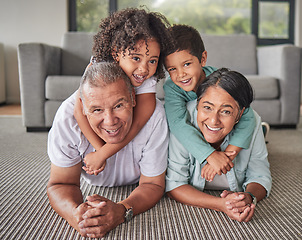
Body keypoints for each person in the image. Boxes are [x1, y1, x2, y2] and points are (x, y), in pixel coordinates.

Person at [47, 62, 169, 238]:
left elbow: (153, 184)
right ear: (82, 107)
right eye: (97, 110)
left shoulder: (154, 115)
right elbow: (61, 183)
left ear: (133, 98)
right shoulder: (67, 119)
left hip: (136, 184)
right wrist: (76, 216)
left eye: (119, 106)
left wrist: (121, 211)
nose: (110, 121)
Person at [73, 8, 173, 175]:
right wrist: (100, 150)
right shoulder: (98, 66)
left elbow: (138, 123)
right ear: (116, 53)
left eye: (152, 61)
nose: (143, 69)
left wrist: (104, 154)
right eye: (136, 58)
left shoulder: (147, 78)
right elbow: (78, 111)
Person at [166, 68, 272, 222]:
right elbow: (174, 184)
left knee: (257, 141)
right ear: (197, 104)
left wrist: (248, 198)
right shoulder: (183, 124)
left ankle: (261, 133)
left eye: (226, 112)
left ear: (240, 113)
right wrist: (221, 204)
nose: (213, 120)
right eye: (207, 107)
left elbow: (260, 175)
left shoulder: (250, 121)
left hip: (247, 128)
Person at [163, 24, 256, 182]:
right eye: (172, 69)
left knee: (248, 121)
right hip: (204, 130)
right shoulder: (172, 87)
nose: (181, 74)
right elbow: (178, 123)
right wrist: (209, 155)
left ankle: (259, 131)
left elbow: (247, 113)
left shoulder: (218, 80)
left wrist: (228, 154)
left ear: (203, 59)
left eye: (186, 64)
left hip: (221, 129)